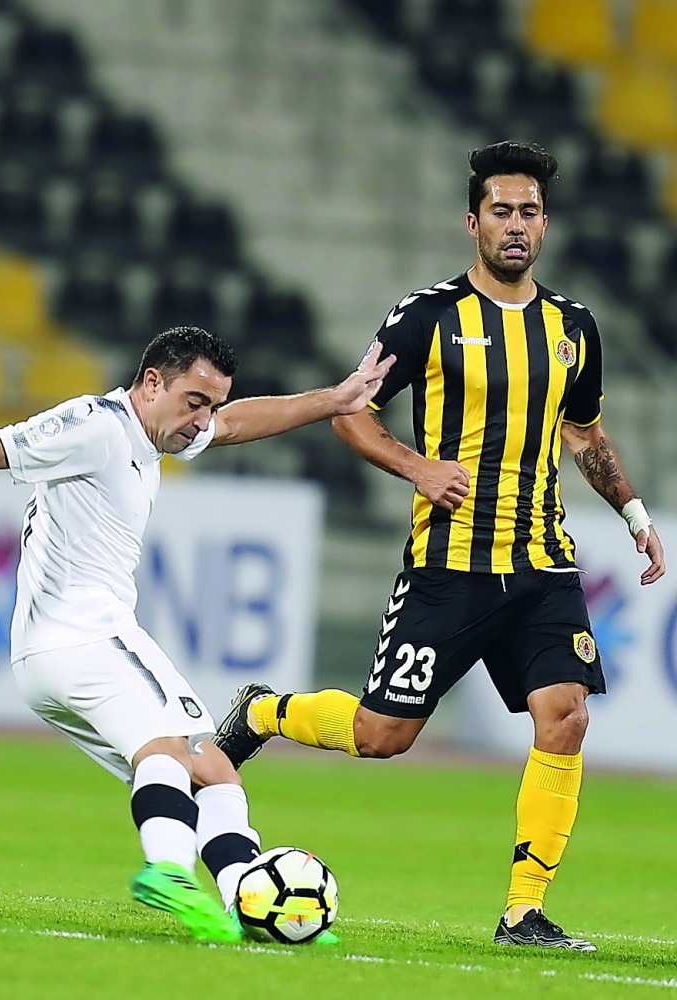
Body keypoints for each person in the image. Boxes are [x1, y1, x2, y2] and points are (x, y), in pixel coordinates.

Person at [214, 142, 667, 951]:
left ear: (545, 223)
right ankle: (265, 711)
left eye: (529, 211)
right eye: (502, 210)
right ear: (473, 222)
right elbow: (352, 407)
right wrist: (414, 465)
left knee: (564, 717)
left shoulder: (574, 330)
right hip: (447, 568)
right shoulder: (424, 317)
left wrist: (631, 511)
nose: (516, 225)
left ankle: (524, 911)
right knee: (384, 735)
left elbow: (585, 435)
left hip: (541, 564)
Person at [0, 324, 394, 944]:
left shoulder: (156, 430)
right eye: (195, 403)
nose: (203, 420)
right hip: (81, 637)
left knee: (213, 771)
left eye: (211, 405)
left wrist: (334, 399)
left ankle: (248, 902)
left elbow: (241, 423)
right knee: (165, 747)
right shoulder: (95, 427)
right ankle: (168, 871)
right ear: (151, 383)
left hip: (62, 651)